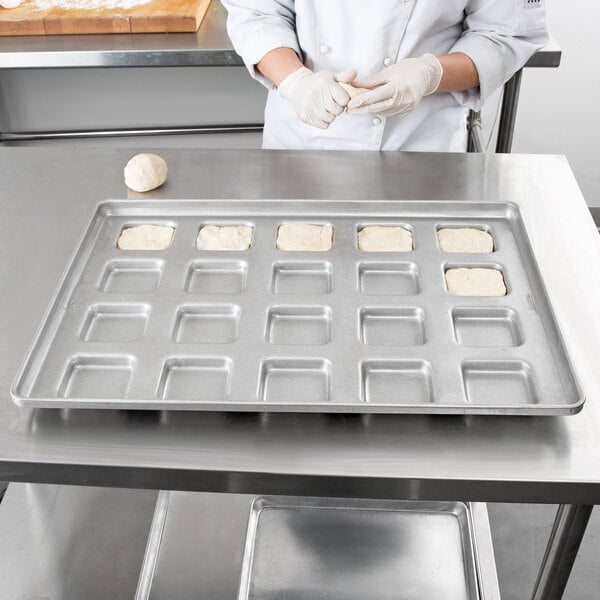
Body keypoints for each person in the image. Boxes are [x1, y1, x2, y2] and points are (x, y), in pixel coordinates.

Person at [220, 1, 548, 152]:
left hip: (418, 147)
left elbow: (505, 34)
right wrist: (295, 82)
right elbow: (257, 14)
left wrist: (430, 74)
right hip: (300, 143)